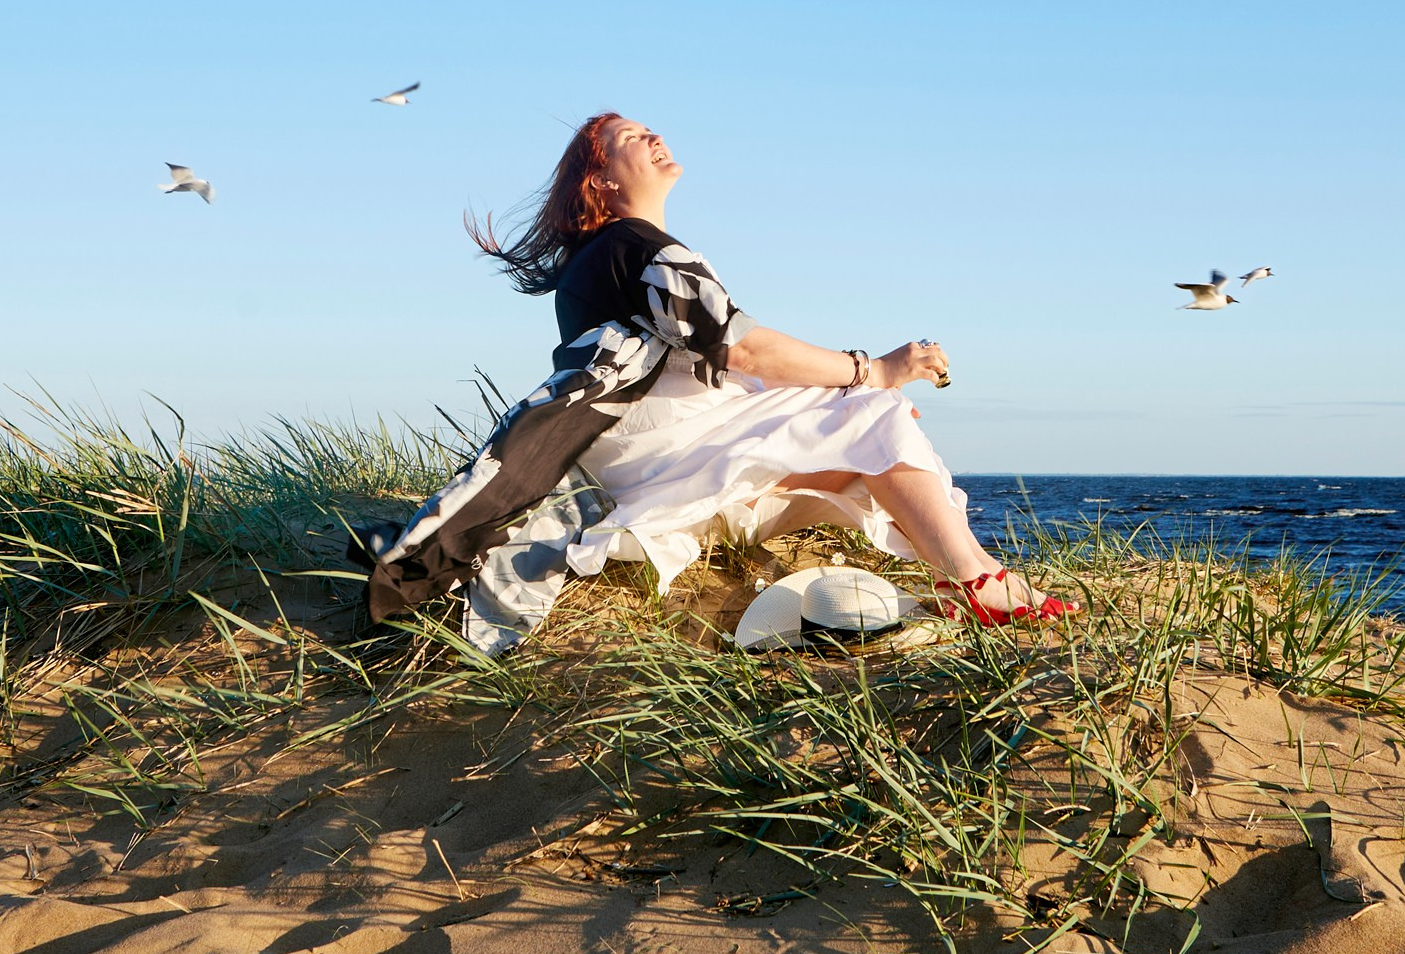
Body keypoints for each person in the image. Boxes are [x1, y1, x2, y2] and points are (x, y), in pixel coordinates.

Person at [360, 114, 1075, 647]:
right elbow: (744, 349)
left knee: (866, 421)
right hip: (667, 450)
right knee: (875, 413)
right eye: (628, 137)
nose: (652, 136)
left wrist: (850, 392)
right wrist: (875, 370)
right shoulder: (634, 246)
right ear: (602, 181)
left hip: (652, 460)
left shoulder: (602, 259)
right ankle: (977, 582)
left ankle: (962, 573)